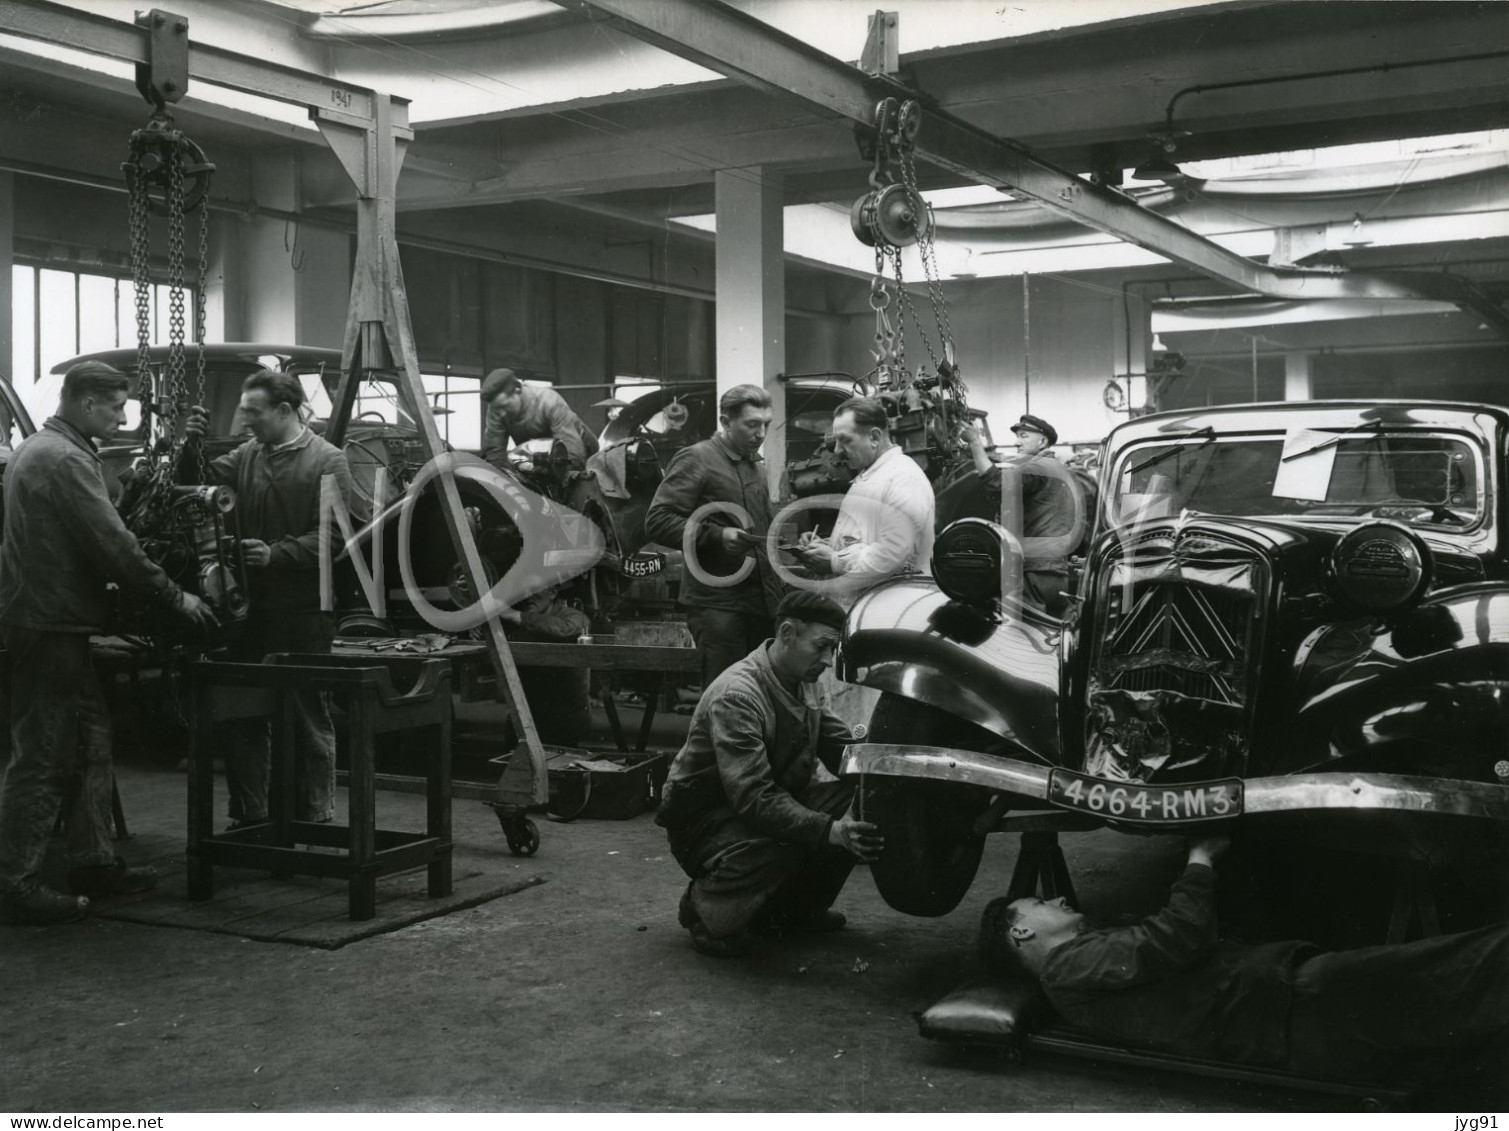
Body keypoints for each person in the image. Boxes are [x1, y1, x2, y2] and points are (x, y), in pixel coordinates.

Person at [980, 836, 1509, 1097]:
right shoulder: (1068, 967)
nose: (1059, 902)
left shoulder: (1078, 970)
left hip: (1285, 1013)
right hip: (1297, 1001)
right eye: (1042, 903)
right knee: (1469, 967)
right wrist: (1200, 857)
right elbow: (1175, 938)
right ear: (1021, 931)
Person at [0, 361, 216, 924]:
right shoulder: (66, 460)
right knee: (44, 754)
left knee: (92, 734)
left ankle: (94, 861)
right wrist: (177, 598)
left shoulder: (37, 447)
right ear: (88, 403)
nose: (124, 418)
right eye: (118, 407)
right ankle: (15, 883)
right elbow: (115, 544)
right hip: (51, 625)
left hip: (46, 618)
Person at [655, 591, 883, 957]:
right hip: (708, 824)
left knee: (859, 798)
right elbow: (753, 796)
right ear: (788, 633)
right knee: (787, 842)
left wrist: (889, 764)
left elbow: (840, 748)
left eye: (833, 650)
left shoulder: (801, 679)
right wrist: (831, 830)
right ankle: (704, 910)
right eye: (822, 647)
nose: (828, 661)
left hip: (762, 804)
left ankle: (794, 913)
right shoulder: (738, 695)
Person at [182, 370, 356, 829]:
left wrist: (275, 554)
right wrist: (190, 445)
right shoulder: (247, 456)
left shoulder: (328, 460)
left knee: (305, 713)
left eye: (252, 412)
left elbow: (333, 537)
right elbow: (193, 487)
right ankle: (251, 815)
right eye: (243, 410)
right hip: (249, 610)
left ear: (284, 411)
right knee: (243, 713)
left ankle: (314, 815)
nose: (244, 420)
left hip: (303, 610)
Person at [644, 384, 784, 687]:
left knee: (757, 694)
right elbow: (658, 520)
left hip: (759, 604)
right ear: (725, 422)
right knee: (725, 695)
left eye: (766, 425)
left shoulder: (755, 466)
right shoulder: (697, 459)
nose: (761, 433)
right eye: (752, 424)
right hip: (718, 606)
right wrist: (717, 536)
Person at [789, 396, 935, 593]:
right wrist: (825, 545)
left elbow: (895, 555)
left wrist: (834, 561)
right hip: (866, 607)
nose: (838, 451)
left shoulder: (903, 479)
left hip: (887, 612)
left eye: (845, 441)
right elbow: (865, 538)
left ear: (874, 437)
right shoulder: (870, 475)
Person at [965, 412, 1077, 614]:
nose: (1017, 442)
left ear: (1042, 441)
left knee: (1025, 637)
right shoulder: (1055, 467)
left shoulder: (1038, 467)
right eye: (1017, 436)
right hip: (1055, 571)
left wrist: (974, 442)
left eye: (1024, 436)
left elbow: (996, 483)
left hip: (1035, 571)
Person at [479, 368, 599, 471]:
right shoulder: (496, 409)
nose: (501, 414)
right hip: (541, 455)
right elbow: (494, 455)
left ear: (518, 390)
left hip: (583, 451)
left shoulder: (550, 403)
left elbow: (573, 456)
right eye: (497, 409)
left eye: (505, 407)